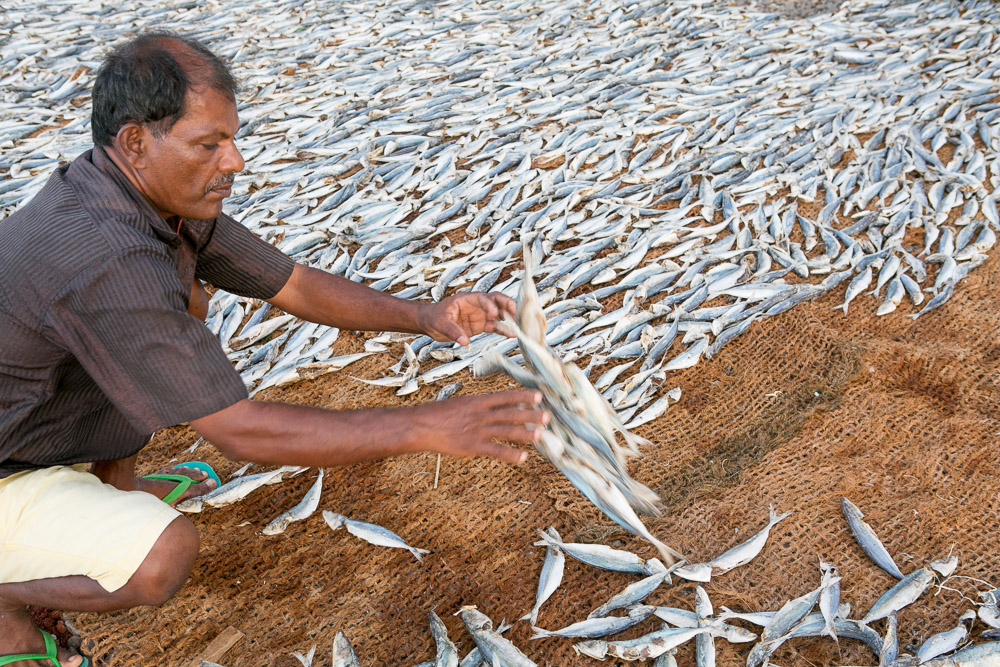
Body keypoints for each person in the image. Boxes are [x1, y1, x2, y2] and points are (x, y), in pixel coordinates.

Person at [0, 32, 547, 666]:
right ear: (135, 142)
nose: (234, 161)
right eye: (210, 145)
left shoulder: (137, 191)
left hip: (29, 423)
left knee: (167, 327)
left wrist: (424, 316)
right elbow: (245, 434)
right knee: (160, 558)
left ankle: (107, 489)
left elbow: (291, 282)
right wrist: (428, 422)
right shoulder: (105, 255)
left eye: (230, 139)